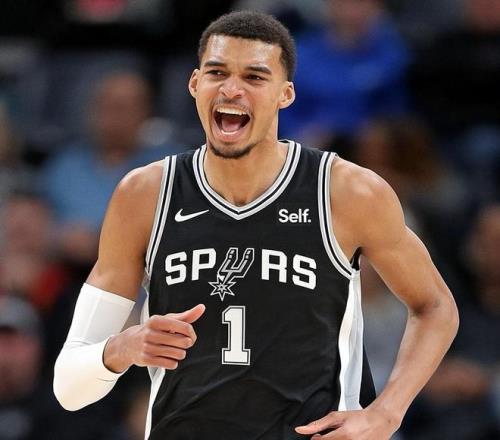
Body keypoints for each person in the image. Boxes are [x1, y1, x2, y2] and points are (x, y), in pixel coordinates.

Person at [53, 11, 458, 439]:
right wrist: (123, 348)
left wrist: (387, 412)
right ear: (195, 84)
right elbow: (69, 387)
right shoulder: (145, 194)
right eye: (217, 73)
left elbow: (435, 306)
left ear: (285, 94)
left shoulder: (346, 191)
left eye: (254, 77)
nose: (232, 88)